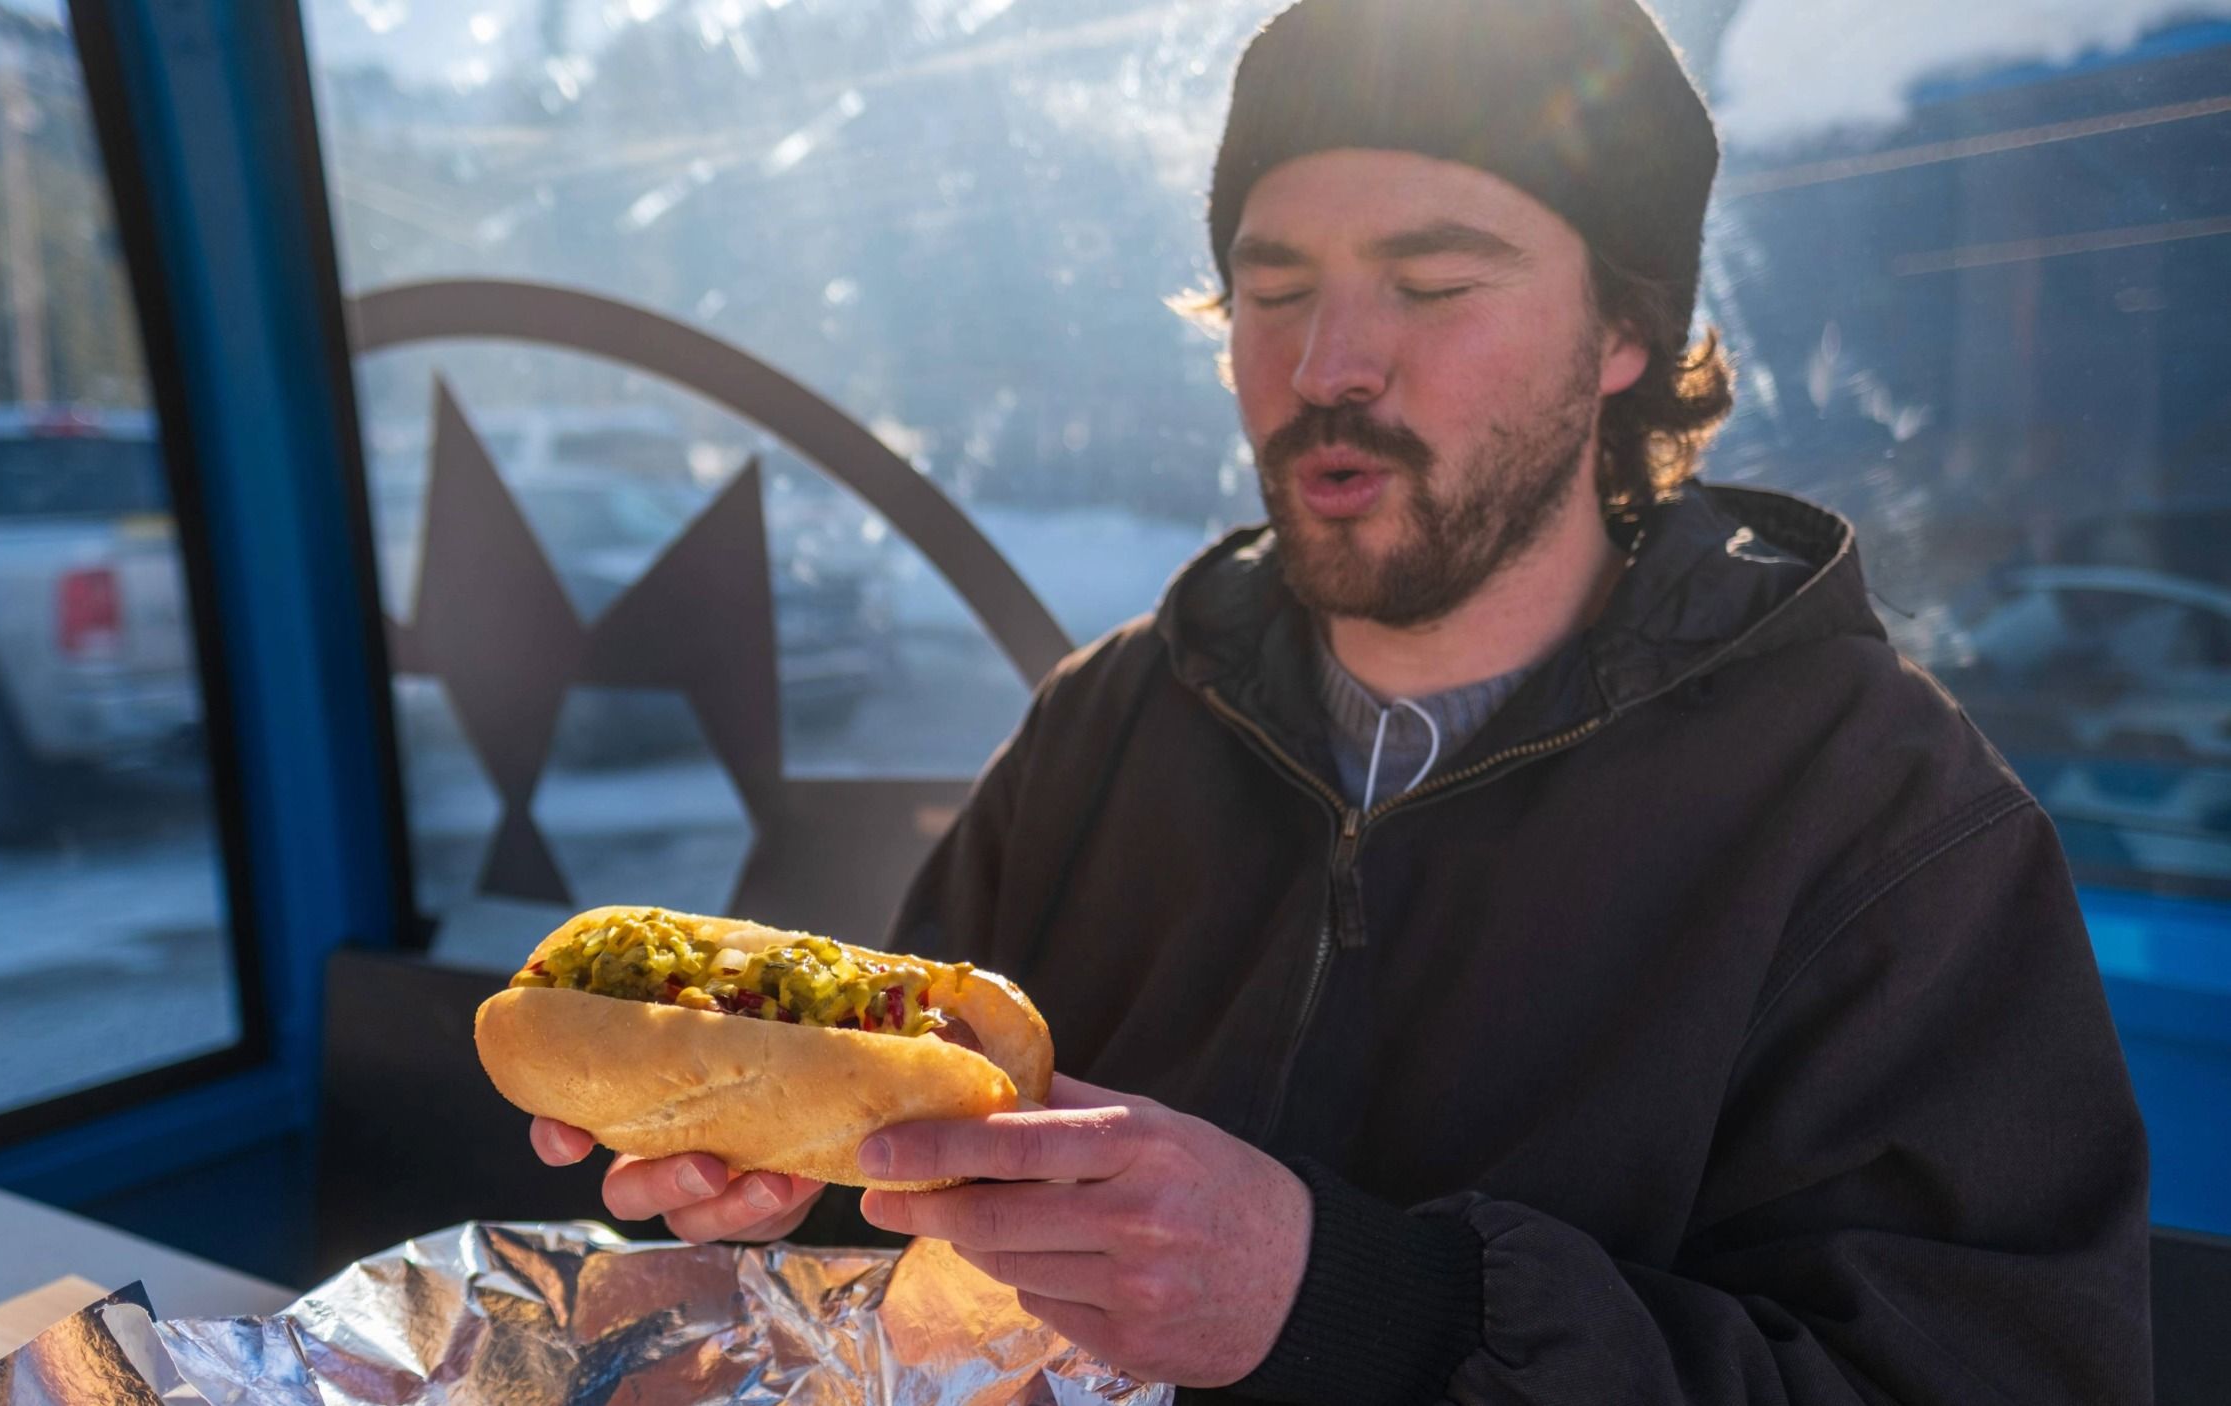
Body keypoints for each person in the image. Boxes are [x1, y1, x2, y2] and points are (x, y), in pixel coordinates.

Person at [530, 0, 2153, 1399]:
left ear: (1624, 337)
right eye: (1274, 282)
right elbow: (933, 1230)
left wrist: (1365, 1306)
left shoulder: (1888, 828)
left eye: (1434, 283)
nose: (1329, 362)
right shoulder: (1104, 731)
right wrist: (792, 1193)